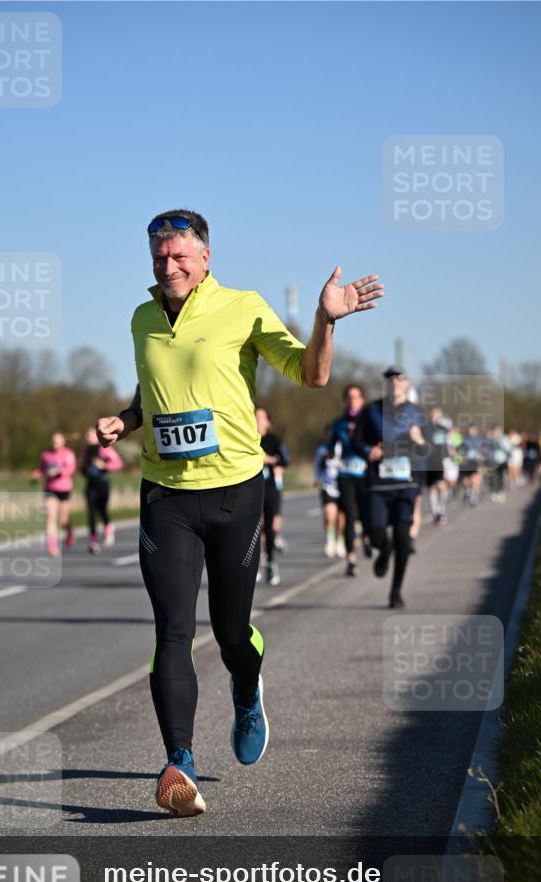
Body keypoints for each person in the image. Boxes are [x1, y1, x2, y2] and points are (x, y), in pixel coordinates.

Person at [96, 209, 383, 817]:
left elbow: (312, 373)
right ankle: (180, 762)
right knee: (172, 628)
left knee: (230, 631)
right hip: (164, 495)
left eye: (178, 256)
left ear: (204, 257)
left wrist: (324, 321)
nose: (167, 266)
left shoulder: (244, 306)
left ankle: (247, 688)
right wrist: (125, 419)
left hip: (234, 492)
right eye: (158, 257)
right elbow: (152, 392)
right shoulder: (142, 318)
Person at [354, 366, 425, 608]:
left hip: (406, 484)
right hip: (378, 484)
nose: (395, 382)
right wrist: (367, 450)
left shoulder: (417, 414)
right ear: (385, 384)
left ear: (408, 384)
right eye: (390, 379)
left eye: (400, 379)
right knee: (375, 535)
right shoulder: (371, 411)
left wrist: (420, 440)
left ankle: (396, 592)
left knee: (404, 538)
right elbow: (357, 442)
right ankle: (384, 549)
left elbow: (430, 451)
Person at [329, 384, 370, 576]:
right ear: (345, 400)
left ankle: (368, 537)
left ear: (362, 400)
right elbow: (331, 446)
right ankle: (351, 558)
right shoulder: (339, 423)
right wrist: (328, 455)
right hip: (345, 474)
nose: (353, 401)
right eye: (350, 397)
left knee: (365, 514)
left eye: (357, 397)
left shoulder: (369, 421)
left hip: (364, 473)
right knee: (348, 515)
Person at [255, 407, 289, 586]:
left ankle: (270, 563)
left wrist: (270, 460)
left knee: (269, 528)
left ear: (268, 422)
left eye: (261, 418)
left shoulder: (274, 440)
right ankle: (255, 565)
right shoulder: (247, 439)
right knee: (254, 528)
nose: (258, 421)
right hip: (252, 489)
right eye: (255, 417)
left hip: (270, 489)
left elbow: (285, 459)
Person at [30, 432, 77, 557]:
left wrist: (58, 472)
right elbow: (42, 469)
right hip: (50, 489)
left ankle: (69, 533)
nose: (55, 443)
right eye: (53, 440)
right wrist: (36, 474)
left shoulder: (68, 454)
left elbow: (71, 469)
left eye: (57, 440)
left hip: (64, 489)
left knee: (63, 519)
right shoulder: (45, 455)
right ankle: (52, 546)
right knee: (50, 518)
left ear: (63, 442)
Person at [80, 427, 124, 554]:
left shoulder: (104, 448)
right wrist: (84, 470)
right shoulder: (86, 451)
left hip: (103, 484)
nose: (87, 437)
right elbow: (83, 468)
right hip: (90, 485)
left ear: (96, 435)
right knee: (91, 512)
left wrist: (104, 465)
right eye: (86, 435)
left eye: (89, 434)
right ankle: (92, 541)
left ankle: (108, 528)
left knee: (102, 510)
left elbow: (118, 463)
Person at [313, 424, 342, 557]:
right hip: (327, 486)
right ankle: (330, 540)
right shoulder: (322, 449)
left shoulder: (343, 448)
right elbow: (317, 465)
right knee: (330, 514)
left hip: (342, 485)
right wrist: (316, 478)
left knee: (341, 517)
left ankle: (340, 540)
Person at [426, 404, 452, 525]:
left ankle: (441, 510)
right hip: (430, 460)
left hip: (442, 459)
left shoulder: (444, 428)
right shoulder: (425, 427)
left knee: (443, 485)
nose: (436, 415)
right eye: (434, 412)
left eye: (438, 412)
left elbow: (449, 443)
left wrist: (452, 454)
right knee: (431, 487)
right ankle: (435, 513)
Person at [458, 424, 484, 505]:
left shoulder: (480, 440)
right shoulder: (464, 439)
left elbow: (484, 451)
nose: (472, 431)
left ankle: (474, 497)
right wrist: (462, 458)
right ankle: (468, 490)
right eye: (471, 429)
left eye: (474, 429)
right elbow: (460, 450)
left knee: (476, 479)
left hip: (476, 462)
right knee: (466, 480)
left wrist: (482, 458)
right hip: (466, 462)